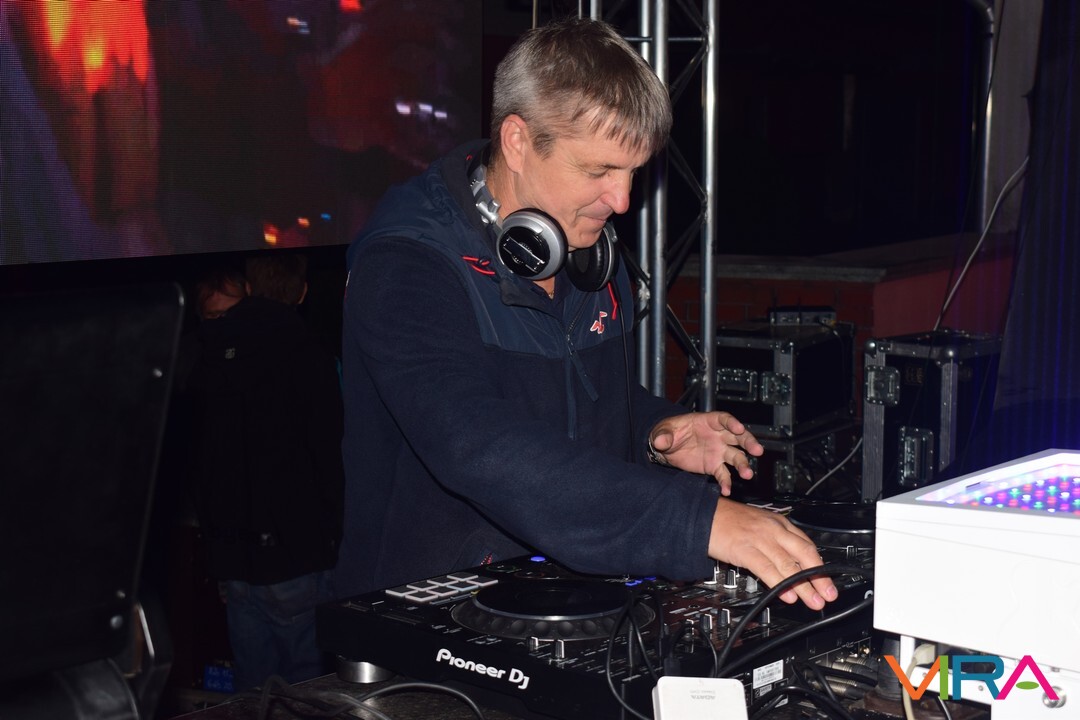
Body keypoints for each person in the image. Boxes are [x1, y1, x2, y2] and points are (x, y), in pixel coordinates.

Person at [333, 17, 837, 612]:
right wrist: (696, 523)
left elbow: (576, 401)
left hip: (560, 596)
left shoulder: (586, 249)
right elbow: (478, 442)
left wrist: (654, 432)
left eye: (632, 173)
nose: (621, 201)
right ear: (518, 142)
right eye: (598, 171)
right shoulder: (408, 263)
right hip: (425, 614)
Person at [186, 252, 345, 690]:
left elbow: (198, 459)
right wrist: (335, 538)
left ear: (250, 288)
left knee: (254, 693)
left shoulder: (209, 354)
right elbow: (330, 454)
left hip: (233, 556)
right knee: (307, 691)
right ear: (303, 292)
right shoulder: (306, 352)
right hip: (296, 553)